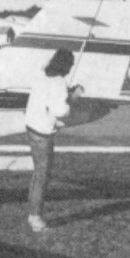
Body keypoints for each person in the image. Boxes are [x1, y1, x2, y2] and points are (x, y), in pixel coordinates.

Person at [24, 49, 83, 232]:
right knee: (42, 176)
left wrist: (66, 94)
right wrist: (73, 96)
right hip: (43, 132)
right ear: (65, 65)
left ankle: (33, 213)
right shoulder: (59, 82)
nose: (71, 67)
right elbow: (61, 111)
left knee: (38, 174)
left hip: (31, 127)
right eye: (71, 64)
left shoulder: (42, 75)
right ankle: (35, 218)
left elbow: (48, 98)